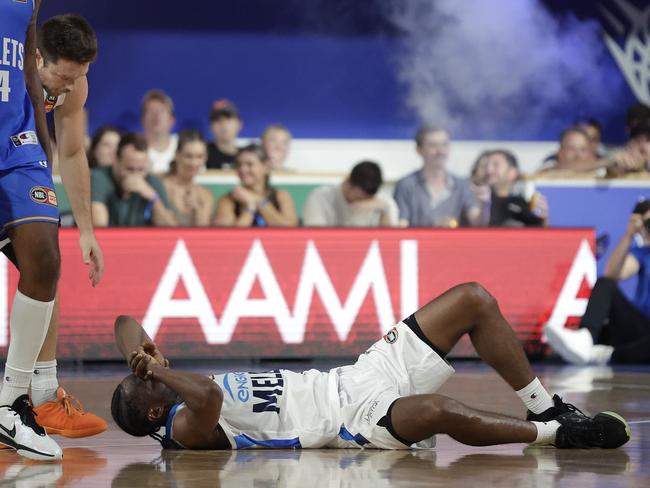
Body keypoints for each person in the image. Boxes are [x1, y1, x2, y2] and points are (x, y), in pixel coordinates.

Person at [111, 283, 631, 451]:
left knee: (473, 298)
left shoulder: (163, 390)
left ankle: (551, 407)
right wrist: (158, 370)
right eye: (151, 379)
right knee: (439, 410)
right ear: (156, 409)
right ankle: (550, 436)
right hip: (351, 422)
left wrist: (141, 355)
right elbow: (209, 397)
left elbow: (124, 319)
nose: (156, 367)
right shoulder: (182, 430)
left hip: (354, 374)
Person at [0, 1, 68, 461]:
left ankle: (10, 403)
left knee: (44, 257)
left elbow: (26, 54)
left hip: (16, 144)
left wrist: (43, 142)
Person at [545, 199, 650, 365]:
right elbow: (613, 274)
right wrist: (630, 235)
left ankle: (602, 354)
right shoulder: (643, 253)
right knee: (605, 283)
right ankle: (585, 338)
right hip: (639, 327)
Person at [394, 127, 481, 228]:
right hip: (417, 242)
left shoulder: (463, 185)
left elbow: (477, 222)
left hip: (455, 243)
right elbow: (402, 224)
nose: (440, 151)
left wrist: (485, 203)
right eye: (433, 145)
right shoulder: (406, 184)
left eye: (444, 145)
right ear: (419, 150)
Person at [91, 133, 177, 227]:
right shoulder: (99, 177)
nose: (135, 176)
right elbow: (98, 227)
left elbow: (172, 229)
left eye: (141, 169)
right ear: (115, 160)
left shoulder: (152, 181)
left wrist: (153, 198)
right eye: (129, 169)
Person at [213, 144, 298, 227]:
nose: (243, 169)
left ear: (266, 167)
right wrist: (250, 207)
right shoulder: (228, 199)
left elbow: (290, 230)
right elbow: (228, 237)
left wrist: (258, 200)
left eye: (249, 164)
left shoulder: (281, 195)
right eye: (239, 165)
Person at [302, 161, 399, 227]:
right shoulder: (320, 197)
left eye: (367, 200)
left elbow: (391, 241)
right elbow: (314, 234)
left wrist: (384, 211)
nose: (361, 204)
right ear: (347, 182)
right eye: (358, 198)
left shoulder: (383, 202)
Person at [162, 130, 214, 227]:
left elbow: (204, 235)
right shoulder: (162, 188)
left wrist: (198, 210)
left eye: (199, 157)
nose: (193, 163)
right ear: (177, 156)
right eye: (188, 156)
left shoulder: (205, 195)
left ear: (205, 158)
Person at [483, 150, 547, 227]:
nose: (488, 170)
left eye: (496, 165)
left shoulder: (521, 205)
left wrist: (544, 220)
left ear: (512, 172)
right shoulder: (478, 201)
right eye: (485, 166)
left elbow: (538, 232)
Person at [141, 89, 177, 174]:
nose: (156, 115)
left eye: (161, 111)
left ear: (171, 120)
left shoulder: (182, 146)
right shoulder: (134, 148)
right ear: (142, 119)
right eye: (151, 110)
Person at [206, 99, 242, 170]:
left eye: (228, 119)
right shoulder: (202, 154)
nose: (223, 125)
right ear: (210, 126)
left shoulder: (247, 157)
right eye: (217, 120)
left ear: (239, 124)